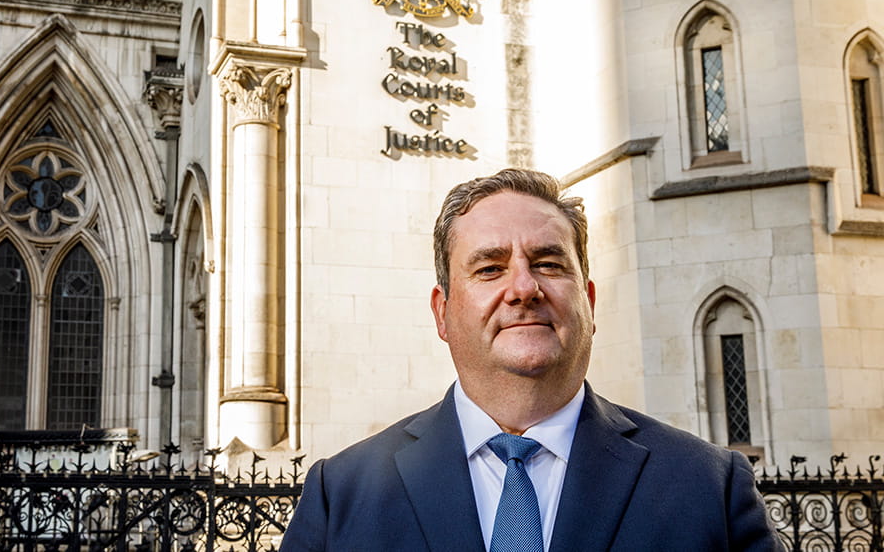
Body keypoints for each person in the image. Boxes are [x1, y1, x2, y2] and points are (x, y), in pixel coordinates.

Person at [279, 168, 781, 552]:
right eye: (490, 267)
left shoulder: (708, 489)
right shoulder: (339, 496)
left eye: (547, 263)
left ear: (588, 302)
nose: (523, 288)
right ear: (443, 313)